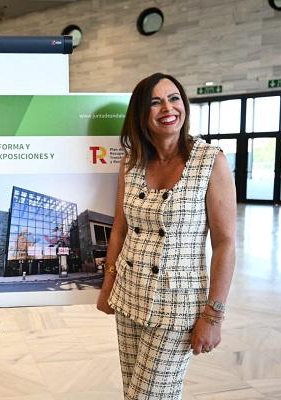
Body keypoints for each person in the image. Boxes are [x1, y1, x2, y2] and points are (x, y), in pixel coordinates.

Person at [96, 72, 236, 399]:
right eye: (155, 102)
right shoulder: (132, 161)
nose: (168, 108)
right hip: (129, 295)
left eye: (174, 99)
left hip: (178, 305)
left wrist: (214, 315)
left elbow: (225, 243)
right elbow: (120, 229)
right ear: (141, 113)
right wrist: (108, 285)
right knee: (133, 392)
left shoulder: (210, 160)